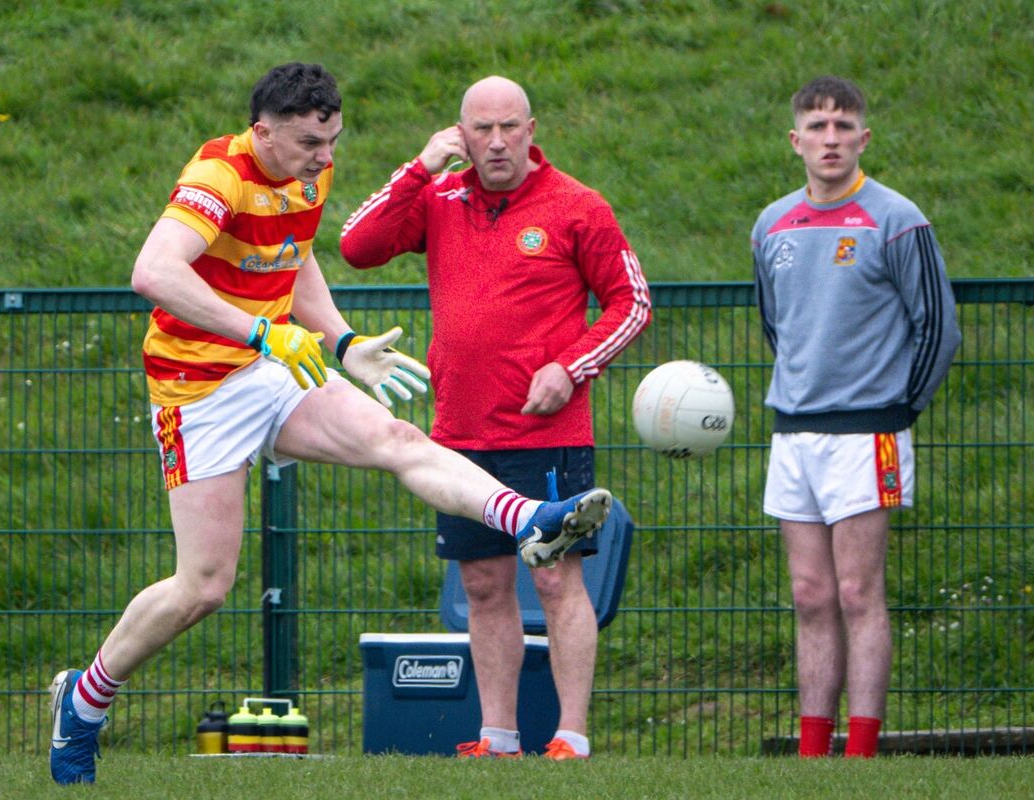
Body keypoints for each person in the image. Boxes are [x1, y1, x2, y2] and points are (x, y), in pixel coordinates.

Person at [47, 62, 614, 785]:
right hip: (196, 390)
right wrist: (262, 331)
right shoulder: (220, 174)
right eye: (311, 142)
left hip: (270, 367)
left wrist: (343, 343)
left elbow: (299, 254)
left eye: (334, 139)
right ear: (263, 132)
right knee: (204, 586)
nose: (325, 156)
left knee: (398, 439)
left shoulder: (308, 174)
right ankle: (85, 698)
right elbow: (154, 272)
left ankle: (531, 518)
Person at [340, 75, 651, 760]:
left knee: (555, 578)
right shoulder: (440, 198)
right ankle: (498, 735)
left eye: (510, 126)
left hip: (546, 434)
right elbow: (357, 245)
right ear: (461, 135)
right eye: (482, 129)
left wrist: (570, 367)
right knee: (483, 585)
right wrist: (420, 167)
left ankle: (571, 735)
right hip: (458, 434)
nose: (497, 141)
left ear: (532, 130)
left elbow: (631, 303)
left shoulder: (577, 206)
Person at [751, 76, 961, 758]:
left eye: (844, 126)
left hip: (869, 434)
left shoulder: (897, 219)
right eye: (818, 127)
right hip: (793, 434)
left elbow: (938, 328)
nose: (831, 139)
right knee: (810, 594)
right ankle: (814, 754)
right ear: (796, 141)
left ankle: (863, 753)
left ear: (864, 138)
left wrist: (897, 409)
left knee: (857, 590)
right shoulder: (771, 225)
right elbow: (778, 327)